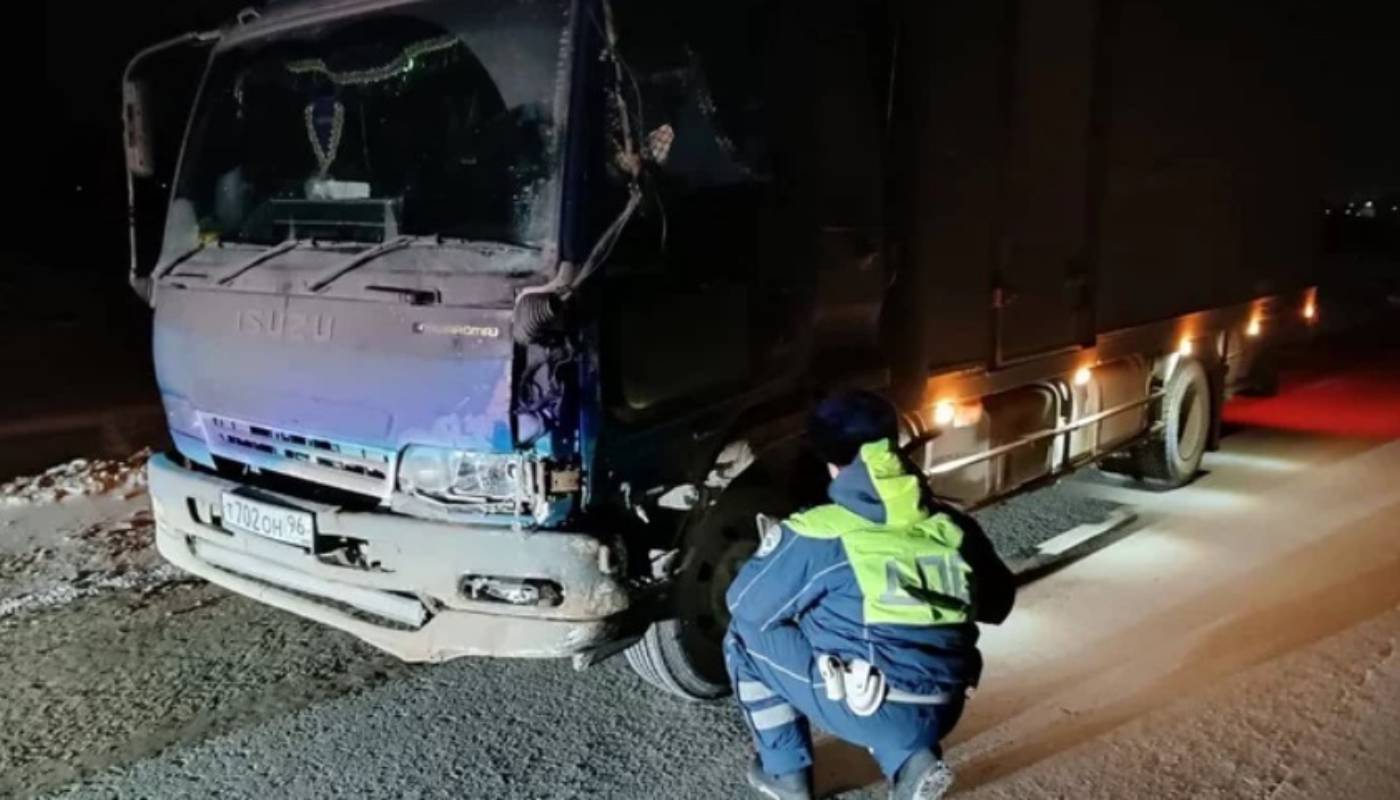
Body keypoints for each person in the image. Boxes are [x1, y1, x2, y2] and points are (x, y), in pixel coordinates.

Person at [725, 390, 1016, 800]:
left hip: (873, 704)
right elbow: (999, 604)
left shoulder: (824, 532)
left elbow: (745, 605)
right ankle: (913, 762)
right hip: (947, 701)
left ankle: (785, 775)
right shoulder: (949, 523)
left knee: (741, 637)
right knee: (882, 636)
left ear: (830, 462)